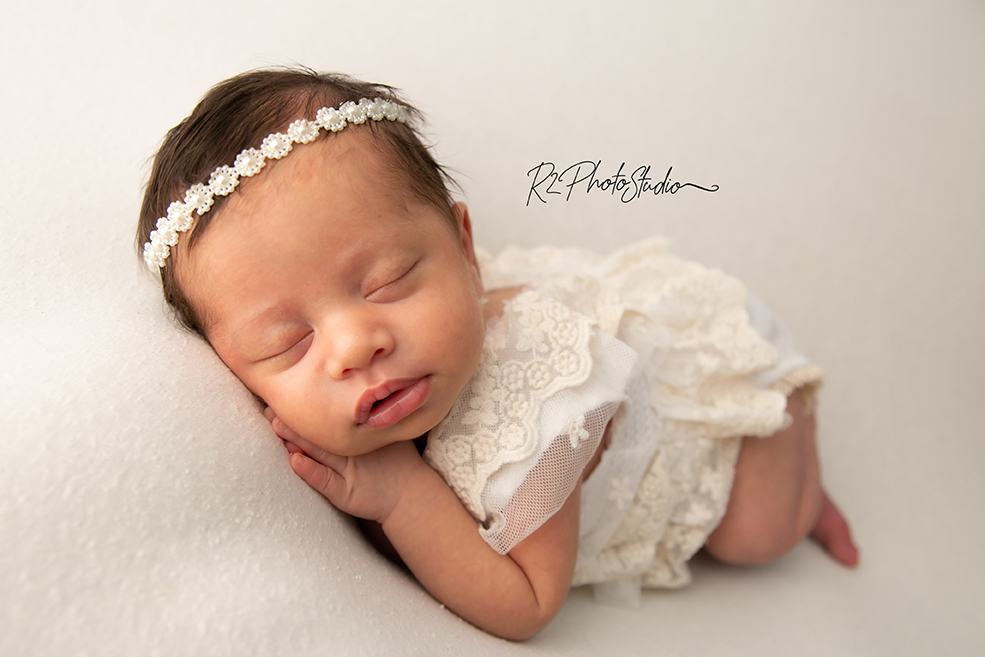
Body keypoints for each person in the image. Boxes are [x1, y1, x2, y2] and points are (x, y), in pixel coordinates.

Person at [136, 66, 858, 641]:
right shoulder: (400, 346)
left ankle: (787, 423)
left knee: (759, 532)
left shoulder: (541, 402)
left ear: (464, 248)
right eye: (286, 343)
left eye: (388, 281)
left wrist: (399, 493)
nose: (357, 344)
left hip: (699, 397)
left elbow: (529, 603)